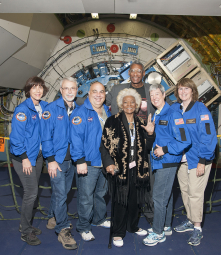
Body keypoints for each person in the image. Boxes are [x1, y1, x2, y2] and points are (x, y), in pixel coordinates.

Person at [100, 88, 155, 247]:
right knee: (120, 200)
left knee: (134, 199)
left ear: (137, 105)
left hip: (137, 168)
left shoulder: (141, 123)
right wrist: (108, 163)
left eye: (132, 102)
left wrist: (150, 134)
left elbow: (147, 147)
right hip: (118, 168)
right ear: (121, 105)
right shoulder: (112, 121)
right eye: (126, 102)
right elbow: (104, 146)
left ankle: (132, 226)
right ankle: (118, 232)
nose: (129, 105)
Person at [106, 60, 155, 224]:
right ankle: (124, 215)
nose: (135, 74)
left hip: (145, 142)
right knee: (124, 182)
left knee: (146, 181)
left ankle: (149, 213)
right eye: (132, 71)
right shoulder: (117, 89)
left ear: (144, 74)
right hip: (123, 146)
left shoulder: (150, 90)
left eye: (139, 71)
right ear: (129, 73)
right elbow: (101, 102)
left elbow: (164, 105)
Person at [142, 84, 191, 246]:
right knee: (166, 196)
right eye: (152, 95)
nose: (154, 97)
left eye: (157, 94)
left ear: (164, 95)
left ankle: (158, 232)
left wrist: (165, 149)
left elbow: (184, 140)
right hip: (159, 161)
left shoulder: (173, 113)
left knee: (158, 197)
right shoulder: (157, 114)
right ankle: (166, 226)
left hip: (168, 160)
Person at [172, 78, 217, 246]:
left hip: (198, 159)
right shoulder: (176, 109)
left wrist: (202, 160)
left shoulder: (200, 109)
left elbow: (208, 135)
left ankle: (197, 228)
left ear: (192, 91)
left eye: (186, 89)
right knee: (185, 191)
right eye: (180, 89)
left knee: (196, 194)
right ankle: (190, 220)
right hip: (181, 160)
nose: (183, 92)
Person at [70, 82, 111, 242]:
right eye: (95, 91)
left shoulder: (106, 110)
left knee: (100, 194)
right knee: (86, 197)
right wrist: (79, 160)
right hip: (87, 162)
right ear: (88, 94)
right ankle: (83, 226)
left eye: (101, 92)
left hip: (104, 162)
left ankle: (99, 219)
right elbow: (75, 139)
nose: (98, 95)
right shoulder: (80, 113)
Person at [10, 76, 48, 246]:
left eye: (40, 87)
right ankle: (25, 230)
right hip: (23, 157)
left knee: (33, 191)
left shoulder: (43, 107)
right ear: (28, 90)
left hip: (37, 155)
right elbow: (16, 139)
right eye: (34, 87)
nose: (38, 90)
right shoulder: (22, 110)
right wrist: (25, 158)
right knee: (31, 192)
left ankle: (25, 225)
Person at [41, 77, 78, 250]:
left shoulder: (77, 109)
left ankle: (52, 217)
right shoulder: (51, 109)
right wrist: (50, 160)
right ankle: (62, 229)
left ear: (77, 90)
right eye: (66, 88)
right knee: (62, 194)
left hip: (71, 161)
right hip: (57, 160)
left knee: (61, 192)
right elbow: (45, 137)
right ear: (61, 90)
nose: (70, 91)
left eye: (73, 88)